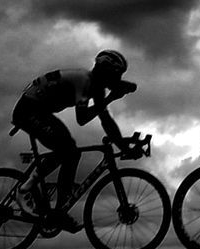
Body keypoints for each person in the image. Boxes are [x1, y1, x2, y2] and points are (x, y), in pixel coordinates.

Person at [11, 48, 133, 232]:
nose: (116, 80)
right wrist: (110, 99)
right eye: (115, 76)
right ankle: (25, 189)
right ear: (105, 71)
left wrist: (124, 147)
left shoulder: (96, 87)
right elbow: (82, 118)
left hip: (40, 110)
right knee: (68, 151)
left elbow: (106, 121)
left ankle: (60, 212)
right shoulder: (84, 81)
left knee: (71, 152)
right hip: (29, 110)